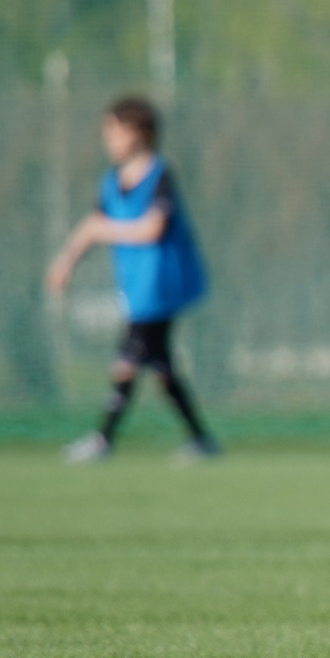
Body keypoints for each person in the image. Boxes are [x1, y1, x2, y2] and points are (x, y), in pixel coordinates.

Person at [46, 95, 218, 464]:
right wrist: (66, 261)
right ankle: (201, 439)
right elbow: (92, 226)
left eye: (114, 133)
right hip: (136, 286)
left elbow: (153, 229)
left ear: (138, 133)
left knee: (126, 361)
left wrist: (106, 230)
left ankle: (102, 439)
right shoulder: (111, 183)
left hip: (160, 286)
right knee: (160, 368)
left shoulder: (159, 176)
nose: (107, 141)